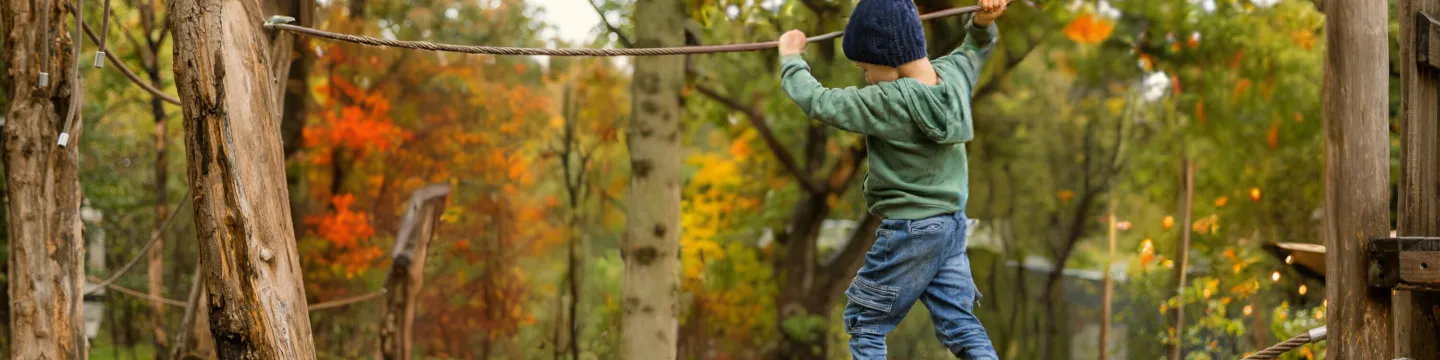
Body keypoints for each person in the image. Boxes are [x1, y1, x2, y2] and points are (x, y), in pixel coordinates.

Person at [776, 0, 1007, 358]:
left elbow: (820, 102)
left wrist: (792, 59)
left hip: (910, 231)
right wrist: (981, 22)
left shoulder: (887, 100)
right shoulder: (956, 76)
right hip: (952, 228)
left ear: (887, 57)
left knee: (865, 321)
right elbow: (975, 49)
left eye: (866, 68)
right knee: (959, 324)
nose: (866, 77)